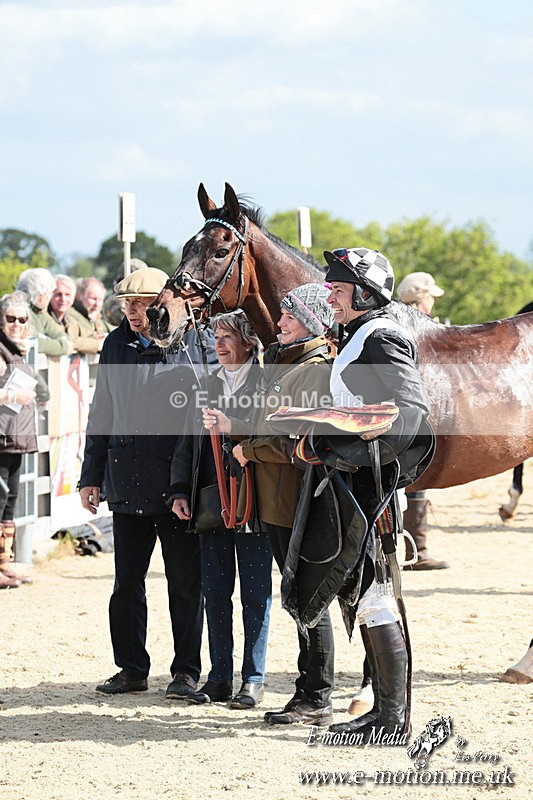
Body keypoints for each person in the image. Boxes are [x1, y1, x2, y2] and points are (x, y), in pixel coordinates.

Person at [79, 266, 216, 697]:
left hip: (177, 486)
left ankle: (186, 671)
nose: (133, 311)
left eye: (141, 303)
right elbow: (102, 409)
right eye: (127, 304)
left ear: (162, 303)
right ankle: (132, 669)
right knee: (126, 584)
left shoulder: (193, 342)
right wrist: (90, 476)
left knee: (185, 585)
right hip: (126, 478)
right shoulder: (114, 344)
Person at [208, 284, 336, 726]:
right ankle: (309, 692)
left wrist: (247, 450)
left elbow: (298, 440)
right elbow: (270, 424)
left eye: (289, 317)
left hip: (293, 500)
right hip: (276, 499)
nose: (279, 323)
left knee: (308, 598)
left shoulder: (314, 371)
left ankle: (316, 696)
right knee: (297, 596)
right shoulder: (290, 364)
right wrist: (234, 425)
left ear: (312, 322)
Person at [320, 247, 430, 738]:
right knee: (367, 596)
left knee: (377, 596)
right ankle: (386, 712)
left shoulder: (381, 335)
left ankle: (393, 719)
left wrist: (355, 451)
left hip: (374, 487)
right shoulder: (360, 334)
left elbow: (410, 413)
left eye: (339, 290)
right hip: (359, 482)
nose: (331, 298)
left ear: (366, 294)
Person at [170, 311, 273, 709]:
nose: (219, 343)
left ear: (248, 341)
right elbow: (186, 441)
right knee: (215, 593)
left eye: (228, 336)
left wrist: (234, 424)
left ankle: (253, 678)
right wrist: (180, 491)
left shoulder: (267, 383)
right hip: (212, 502)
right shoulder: (207, 384)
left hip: (256, 503)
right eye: (217, 336)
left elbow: (272, 432)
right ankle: (219, 677)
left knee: (255, 594)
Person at [395, 271, 448, 570]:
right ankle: (418, 550)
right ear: (421, 298)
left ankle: (416, 549)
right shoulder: (421, 328)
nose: (432, 301)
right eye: (430, 296)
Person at [0, 292, 49, 588]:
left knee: (9, 503)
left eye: (22, 319)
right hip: (3, 437)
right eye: (11, 319)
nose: (17, 324)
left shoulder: (17, 350)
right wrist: (11, 395)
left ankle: (4, 564)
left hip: (14, 437)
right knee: (1, 501)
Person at [16, 268, 73, 357]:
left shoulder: (39, 312)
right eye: (48, 293)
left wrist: (64, 343)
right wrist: (63, 346)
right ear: (40, 293)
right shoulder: (19, 311)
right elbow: (33, 342)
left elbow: (61, 335)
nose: (49, 297)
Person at [49, 274, 109, 355]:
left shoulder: (70, 320)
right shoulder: (46, 317)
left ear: (73, 297)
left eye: (67, 294)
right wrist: (96, 344)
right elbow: (68, 340)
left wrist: (99, 338)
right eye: (58, 294)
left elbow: (87, 333)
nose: (63, 299)